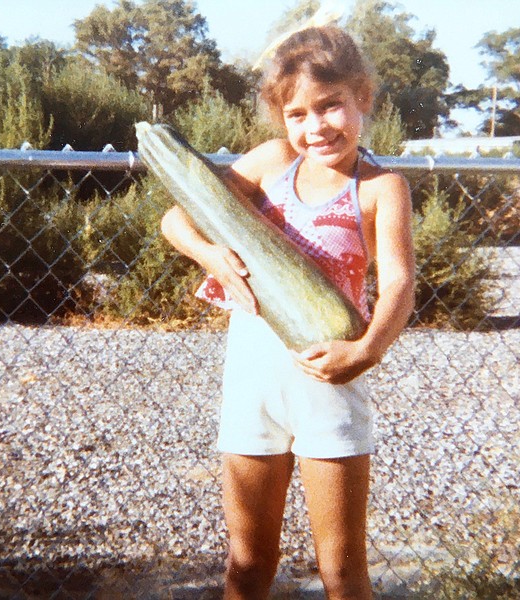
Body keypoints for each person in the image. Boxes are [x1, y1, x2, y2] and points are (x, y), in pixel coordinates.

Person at [161, 25, 415, 600]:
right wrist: (211, 255)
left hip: (330, 377)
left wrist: (366, 350)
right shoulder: (273, 162)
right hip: (251, 379)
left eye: (330, 107)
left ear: (363, 99)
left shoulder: (381, 188)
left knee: (342, 572)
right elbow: (177, 218)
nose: (316, 126)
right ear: (282, 120)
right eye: (298, 114)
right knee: (247, 564)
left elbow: (400, 283)